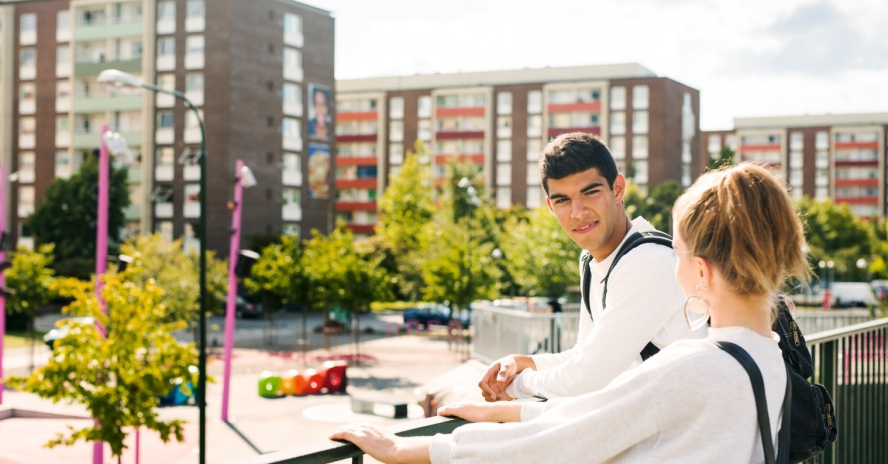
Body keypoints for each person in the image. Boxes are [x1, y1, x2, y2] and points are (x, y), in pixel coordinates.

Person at [331, 162, 811, 463]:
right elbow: (601, 411)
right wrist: (510, 410)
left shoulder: (691, 368)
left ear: (700, 271)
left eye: (679, 251)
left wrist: (403, 450)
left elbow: (568, 441)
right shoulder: (765, 355)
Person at [479, 132, 702, 402]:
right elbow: (584, 354)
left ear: (618, 189)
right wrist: (522, 363)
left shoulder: (647, 261)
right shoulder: (591, 260)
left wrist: (517, 386)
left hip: (691, 434)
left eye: (590, 192)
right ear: (551, 206)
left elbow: (586, 380)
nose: (577, 211)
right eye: (562, 200)